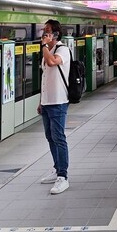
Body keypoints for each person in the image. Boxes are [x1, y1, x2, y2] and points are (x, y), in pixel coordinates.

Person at [37, 19, 72, 194]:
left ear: (56, 34)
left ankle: (63, 176)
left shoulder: (62, 50)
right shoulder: (48, 51)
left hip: (58, 101)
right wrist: (40, 101)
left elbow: (52, 63)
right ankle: (57, 168)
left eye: (48, 31)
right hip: (47, 102)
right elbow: (45, 77)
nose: (44, 33)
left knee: (59, 137)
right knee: (50, 136)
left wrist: (44, 46)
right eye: (44, 30)